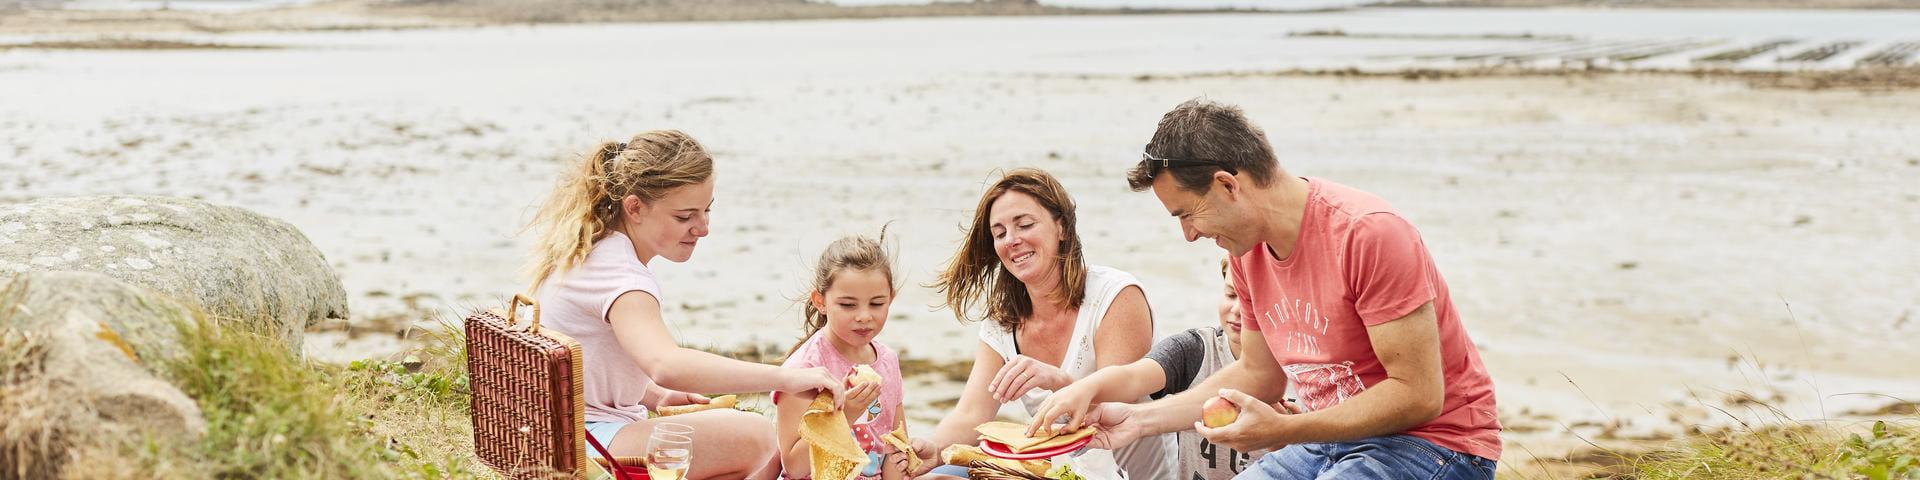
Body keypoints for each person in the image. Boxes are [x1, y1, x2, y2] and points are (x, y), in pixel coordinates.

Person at [1056, 99, 1503, 479]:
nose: (1188, 236)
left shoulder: (1367, 233)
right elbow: (1258, 375)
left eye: (1186, 214)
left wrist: (1284, 430)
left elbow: (1419, 394)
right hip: (1329, 439)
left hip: (1435, 443)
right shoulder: (1245, 252)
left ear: (1227, 185)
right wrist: (1138, 419)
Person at [525, 130, 846, 479]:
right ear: (634, 208)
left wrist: (654, 396)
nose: (703, 228)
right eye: (684, 216)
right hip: (583, 445)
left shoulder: (593, 250)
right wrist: (786, 377)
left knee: (750, 449)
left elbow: (592, 363)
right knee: (756, 437)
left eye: (707, 210)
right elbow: (666, 364)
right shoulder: (623, 279)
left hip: (556, 433)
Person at [917, 168, 1173, 479]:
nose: (1012, 240)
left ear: (1062, 227)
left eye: (1025, 225)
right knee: (939, 474)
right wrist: (933, 449)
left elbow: (1111, 408)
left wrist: (1056, 380)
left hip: (1131, 476)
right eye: (1000, 233)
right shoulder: (1002, 323)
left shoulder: (1115, 296)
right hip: (1060, 474)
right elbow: (971, 414)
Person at [1028, 259, 1270, 479]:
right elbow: (1132, 376)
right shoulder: (1194, 349)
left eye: (1252, 300)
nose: (1237, 310)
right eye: (1231, 294)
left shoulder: (1291, 372)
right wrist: (1083, 387)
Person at [775, 232, 922, 479]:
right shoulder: (804, 368)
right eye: (848, 305)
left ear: (891, 298)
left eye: (877, 304)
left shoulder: (887, 361)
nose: (864, 316)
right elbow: (793, 467)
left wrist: (901, 460)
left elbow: (893, 450)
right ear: (820, 301)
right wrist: (844, 416)